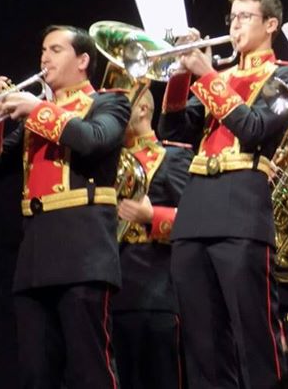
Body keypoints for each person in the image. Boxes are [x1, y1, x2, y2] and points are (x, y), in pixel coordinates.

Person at [158, 0, 288, 389]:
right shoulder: (217, 77)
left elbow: (255, 128)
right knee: (202, 341)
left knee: (254, 334)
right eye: (233, 18)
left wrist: (206, 76)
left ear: (271, 24)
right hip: (197, 206)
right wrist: (180, 73)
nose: (235, 25)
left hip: (242, 202)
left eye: (245, 17)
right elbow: (172, 130)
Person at [0, 25, 131, 388]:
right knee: (36, 373)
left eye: (56, 49)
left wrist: (37, 109)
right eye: (43, 49)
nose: (45, 57)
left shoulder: (110, 101)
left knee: (90, 369)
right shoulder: (37, 114)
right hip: (34, 255)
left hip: (84, 253)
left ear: (83, 60)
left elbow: (94, 140)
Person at [112, 89, 193, 389]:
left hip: (158, 293)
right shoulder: (101, 159)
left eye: (123, 103)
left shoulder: (174, 156)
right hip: (111, 291)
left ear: (143, 109)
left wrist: (152, 217)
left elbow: (197, 222)